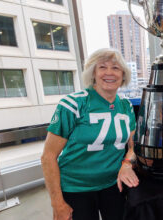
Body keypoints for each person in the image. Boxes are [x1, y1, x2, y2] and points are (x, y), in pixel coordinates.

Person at [41, 48, 139, 220]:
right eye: (102, 67)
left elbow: (134, 145)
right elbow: (48, 156)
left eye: (115, 68)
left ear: (123, 75)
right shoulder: (73, 104)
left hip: (113, 184)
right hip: (76, 188)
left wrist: (126, 163)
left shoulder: (126, 106)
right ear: (93, 72)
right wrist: (57, 203)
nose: (109, 72)